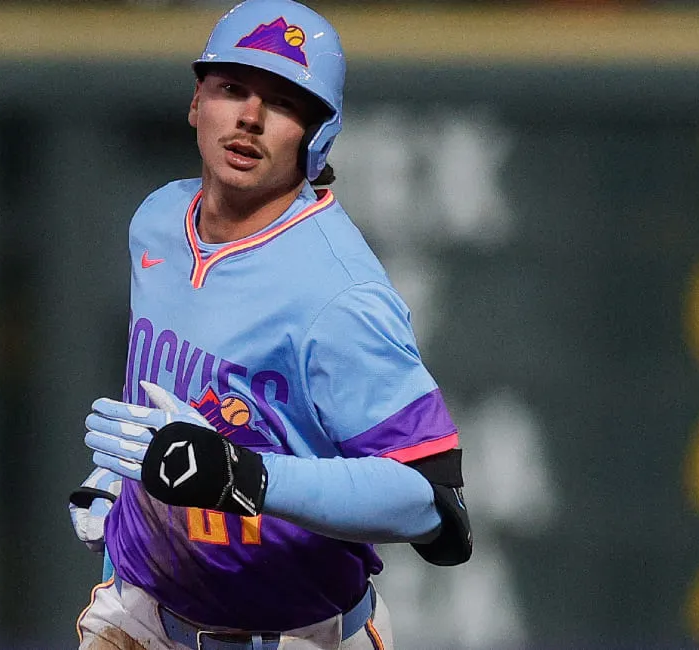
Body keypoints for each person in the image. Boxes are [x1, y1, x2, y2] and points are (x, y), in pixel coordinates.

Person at [67, 1, 471, 647]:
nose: (249, 117)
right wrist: (125, 484)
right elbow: (183, 408)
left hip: (293, 634)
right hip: (140, 616)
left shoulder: (338, 292)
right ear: (197, 101)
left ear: (317, 135)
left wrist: (243, 475)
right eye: (232, 89)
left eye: (282, 103)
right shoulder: (159, 220)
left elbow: (431, 501)